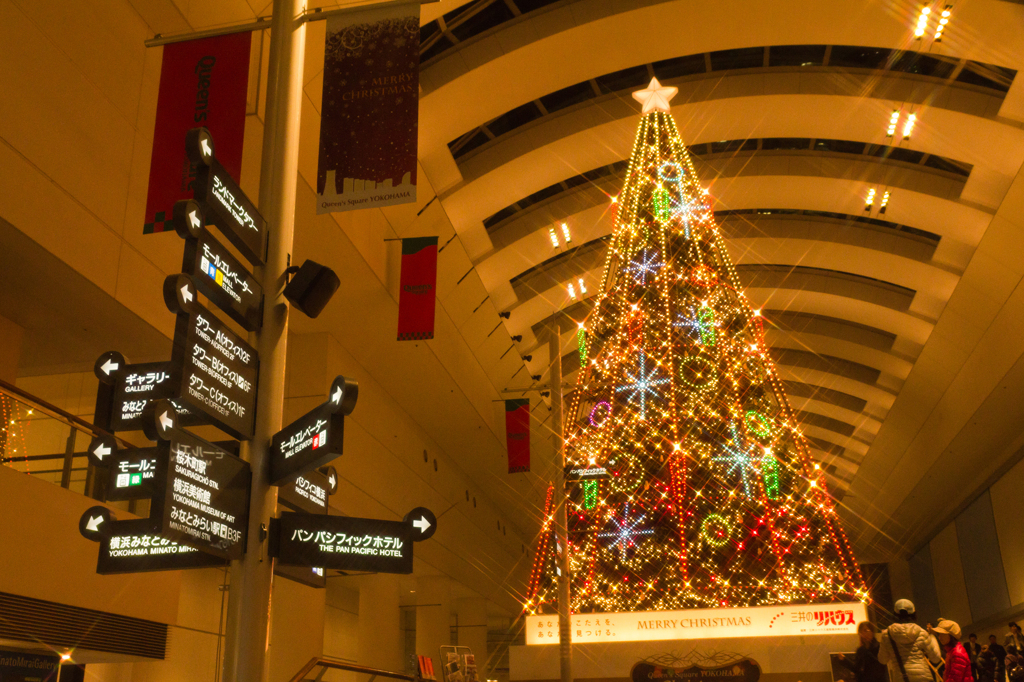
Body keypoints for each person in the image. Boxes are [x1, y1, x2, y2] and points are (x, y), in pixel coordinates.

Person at [879, 599, 943, 682]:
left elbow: (882, 660)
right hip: (923, 677)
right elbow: (935, 658)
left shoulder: (887, 635)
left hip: (901, 678)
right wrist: (932, 637)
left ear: (894, 614)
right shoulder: (921, 632)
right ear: (914, 614)